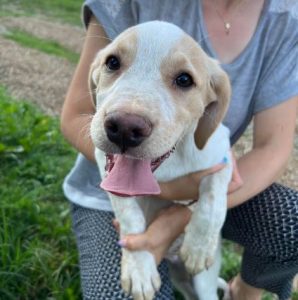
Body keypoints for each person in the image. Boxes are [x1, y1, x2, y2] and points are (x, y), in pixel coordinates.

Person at [60, 0, 298, 299]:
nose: (130, 117)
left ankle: (242, 292)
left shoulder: (287, 19)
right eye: (113, 64)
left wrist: (189, 216)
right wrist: (135, 234)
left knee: (292, 222)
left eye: (183, 80)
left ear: (213, 104)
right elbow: (73, 118)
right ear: (97, 73)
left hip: (204, 199)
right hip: (108, 200)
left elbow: (269, 149)